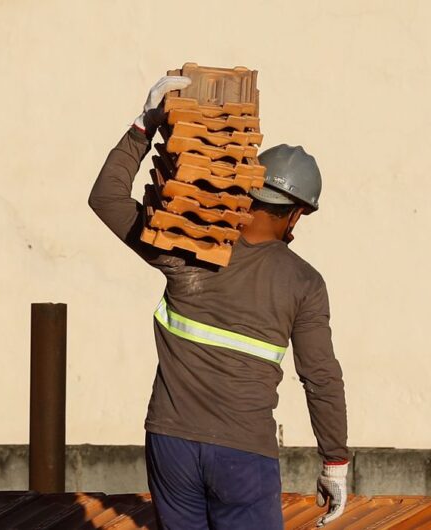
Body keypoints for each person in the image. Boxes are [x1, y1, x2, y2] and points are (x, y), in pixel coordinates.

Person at [89, 76, 349, 530]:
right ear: (297, 212)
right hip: (243, 456)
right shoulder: (304, 283)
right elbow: (321, 377)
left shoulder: (186, 245)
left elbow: (106, 198)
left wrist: (144, 124)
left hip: (170, 443)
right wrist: (335, 463)